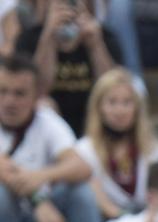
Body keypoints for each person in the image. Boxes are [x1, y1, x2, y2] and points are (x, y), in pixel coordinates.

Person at [0, 52, 98, 222]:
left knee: (81, 193)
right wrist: (40, 202)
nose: (9, 101)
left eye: (19, 93)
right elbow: (6, 172)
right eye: (2, 91)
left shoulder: (48, 122)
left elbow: (82, 167)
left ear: (37, 97)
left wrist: (42, 176)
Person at [12, 0, 123, 135]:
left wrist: (96, 45)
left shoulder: (104, 36)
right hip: (50, 127)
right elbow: (36, 90)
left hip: (93, 122)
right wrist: (49, 38)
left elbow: (113, 90)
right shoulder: (29, 38)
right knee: (44, 105)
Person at [75, 67, 158, 220]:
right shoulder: (83, 150)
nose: (120, 110)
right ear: (99, 107)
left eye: (127, 102)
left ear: (137, 109)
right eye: (112, 102)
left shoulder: (155, 149)